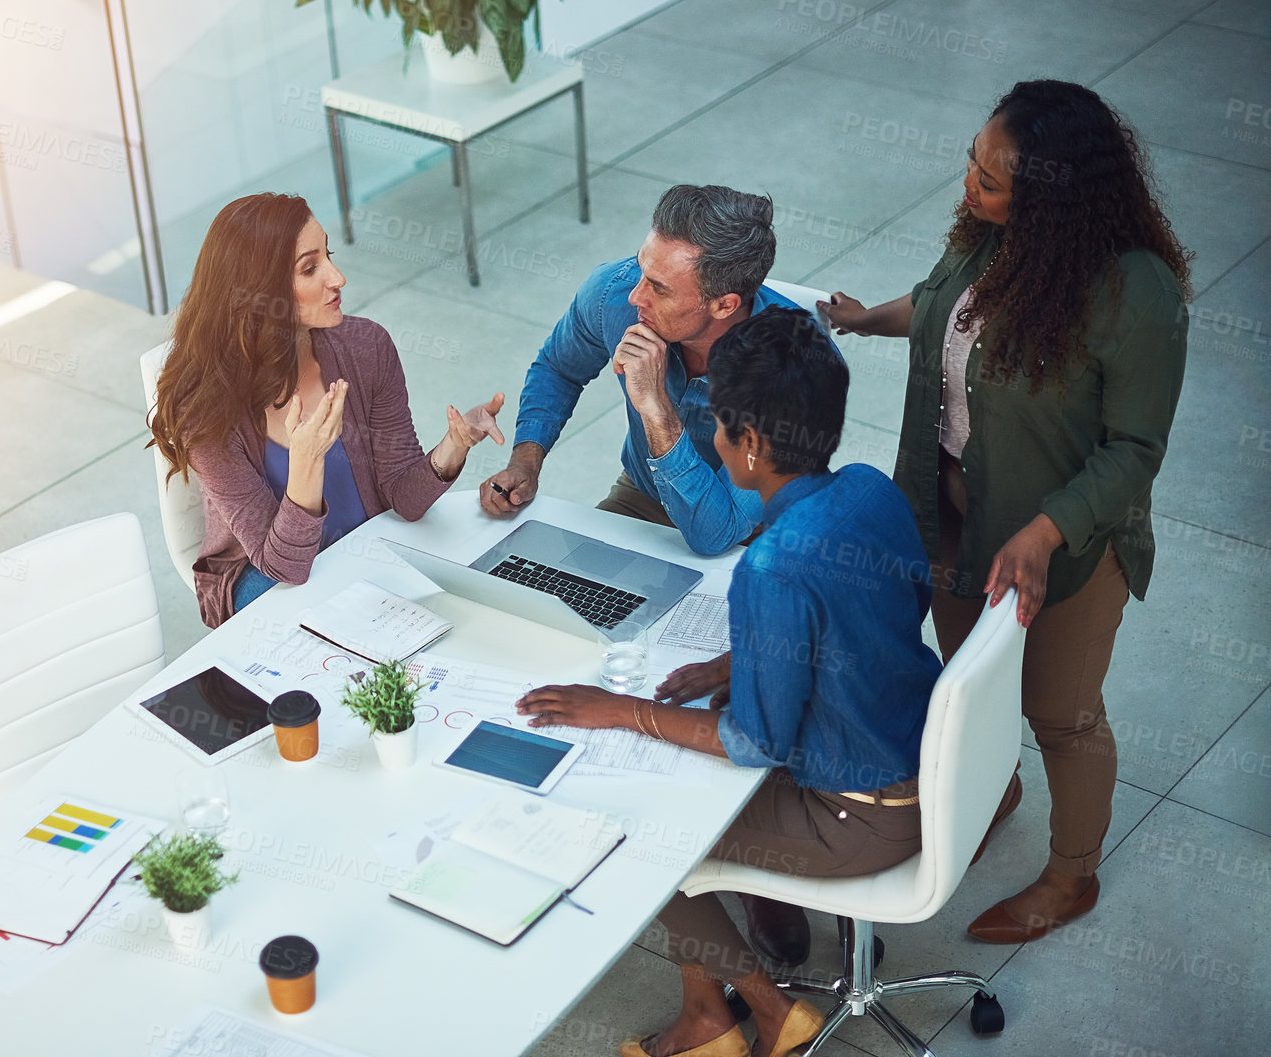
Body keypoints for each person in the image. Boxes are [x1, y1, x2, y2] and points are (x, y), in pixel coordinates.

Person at [514, 308, 941, 1057]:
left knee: (638, 834)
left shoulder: (771, 564)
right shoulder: (873, 489)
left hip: (860, 815)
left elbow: (755, 740)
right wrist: (745, 659)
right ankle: (715, 1010)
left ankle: (757, 1015)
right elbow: (892, 606)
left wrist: (622, 711)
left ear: (749, 444)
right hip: (919, 760)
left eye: (717, 427)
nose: (711, 439)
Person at [819, 80, 1189, 943]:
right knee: (971, 690)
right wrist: (871, 318)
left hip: (1064, 544)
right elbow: (945, 307)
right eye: (972, 164)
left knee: (1061, 712)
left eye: (990, 179)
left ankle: (1072, 876)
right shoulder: (994, 238)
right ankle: (996, 788)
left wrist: (1045, 530)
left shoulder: (1138, 295)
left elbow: (1134, 451)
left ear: (1055, 200)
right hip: (951, 518)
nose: (969, 188)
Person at [148, 192, 506, 628]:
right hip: (267, 574)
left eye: (328, 255)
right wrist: (305, 463)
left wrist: (453, 447)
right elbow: (284, 566)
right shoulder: (206, 411)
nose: (338, 277)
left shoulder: (367, 347)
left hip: (365, 550)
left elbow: (404, 500)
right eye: (309, 267)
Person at [480, 184, 823, 554]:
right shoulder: (613, 292)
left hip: (757, 530)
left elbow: (717, 534)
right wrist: (525, 462)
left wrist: (657, 410)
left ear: (724, 305)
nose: (635, 295)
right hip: (645, 498)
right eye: (643, 269)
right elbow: (559, 369)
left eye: (659, 288)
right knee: (557, 597)